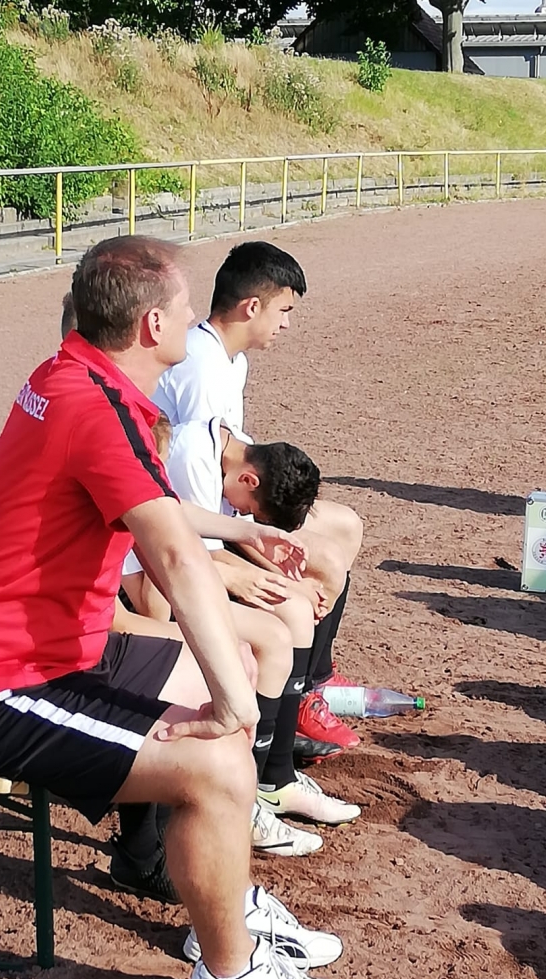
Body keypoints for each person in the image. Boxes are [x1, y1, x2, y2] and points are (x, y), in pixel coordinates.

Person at [0, 236, 354, 979]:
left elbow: (152, 506)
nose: (195, 322)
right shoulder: (97, 406)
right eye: (185, 310)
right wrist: (236, 702)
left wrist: (244, 532)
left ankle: (216, 898)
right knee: (217, 757)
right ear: (152, 325)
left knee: (219, 682)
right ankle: (229, 974)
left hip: (59, 647)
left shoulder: (79, 378)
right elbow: (176, 562)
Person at [153, 241, 364, 750]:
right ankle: (298, 695)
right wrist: (264, 559)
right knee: (323, 565)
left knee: (345, 526)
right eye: (284, 310)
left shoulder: (231, 360)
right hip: (201, 512)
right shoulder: (201, 369)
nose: (286, 323)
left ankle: (313, 677)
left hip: (226, 498)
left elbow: (236, 457)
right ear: (252, 307)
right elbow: (204, 485)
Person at [123, 415, 361, 843]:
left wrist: (253, 540)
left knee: (283, 625)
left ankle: (271, 780)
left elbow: (178, 522)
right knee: (268, 638)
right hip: (148, 600)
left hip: (173, 575)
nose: (240, 510)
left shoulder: (203, 456)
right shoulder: (181, 461)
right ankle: (244, 797)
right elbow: (159, 587)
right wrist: (239, 577)